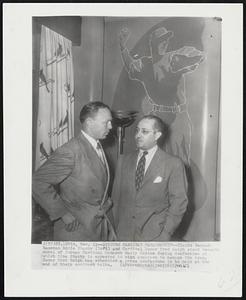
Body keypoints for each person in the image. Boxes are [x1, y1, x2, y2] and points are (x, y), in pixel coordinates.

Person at [32, 101, 116, 241]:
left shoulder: (97, 146)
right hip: (76, 230)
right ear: (89, 123)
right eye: (106, 122)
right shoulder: (71, 151)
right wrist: (62, 213)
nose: (111, 126)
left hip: (96, 226)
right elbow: (37, 181)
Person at [112, 115, 188, 241]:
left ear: (157, 135)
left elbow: (179, 203)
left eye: (144, 131)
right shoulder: (123, 160)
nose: (138, 135)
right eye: (137, 130)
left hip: (154, 236)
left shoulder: (173, 164)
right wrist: (116, 229)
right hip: (123, 235)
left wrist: (165, 234)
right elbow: (116, 198)